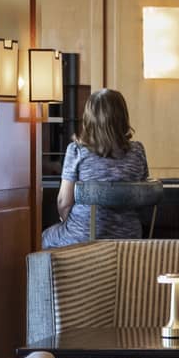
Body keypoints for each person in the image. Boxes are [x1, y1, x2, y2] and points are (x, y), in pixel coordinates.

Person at [43, 89, 150, 248]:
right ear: (123, 117)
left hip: (82, 236)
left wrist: (76, 227)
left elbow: (64, 203)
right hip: (129, 237)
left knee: (43, 238)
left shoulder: (77, 150)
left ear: (89, 119)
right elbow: (143, 199)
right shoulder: (138, 151)